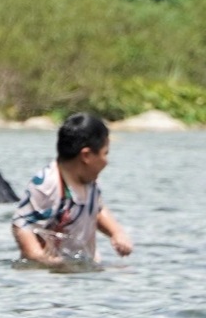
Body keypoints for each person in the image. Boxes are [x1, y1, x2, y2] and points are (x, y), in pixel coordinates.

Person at [12, 113, 133, 266]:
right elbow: (22, 224)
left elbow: (97, 208)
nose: (106, 162)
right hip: (50, 277)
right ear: (87, 155)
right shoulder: (46, 184)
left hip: (82, 267)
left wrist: (116, 233)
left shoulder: (90, 180)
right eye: (105, 153)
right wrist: (39, 257)